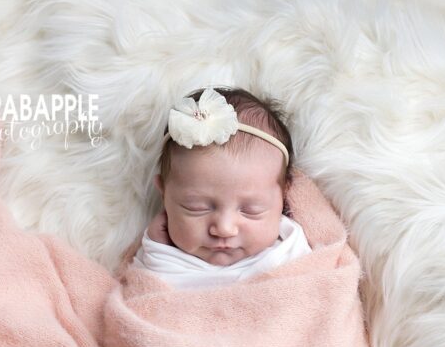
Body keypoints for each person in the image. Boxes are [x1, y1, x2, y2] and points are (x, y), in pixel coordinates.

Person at [130, 86, 313, 290]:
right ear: (164, 194)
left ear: (283, 196)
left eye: (251, 210)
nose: (224, 229)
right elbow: (143, 297)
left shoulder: (290, 250)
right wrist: (156, 249)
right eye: (196, 207)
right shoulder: (159, 255)